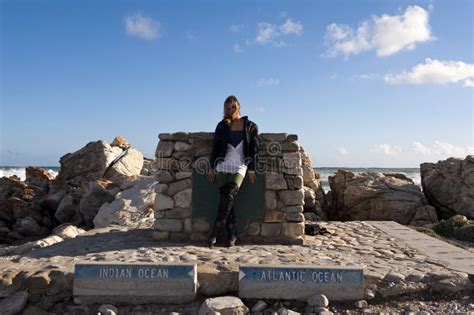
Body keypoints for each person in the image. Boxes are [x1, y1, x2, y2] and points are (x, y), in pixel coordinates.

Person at [207, 95, 259, 248]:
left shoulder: (250, 126)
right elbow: (215, 148)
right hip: (222, 165)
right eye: (228, 108)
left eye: (233, 107)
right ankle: (232, 232)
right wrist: (212, 167)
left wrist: (252, 169)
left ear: (239, 107)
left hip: (240, 165)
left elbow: (255, 149)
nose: (231, 110)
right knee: (226, 198)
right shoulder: (221, 126)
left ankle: (215, 232)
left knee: (229, 194)